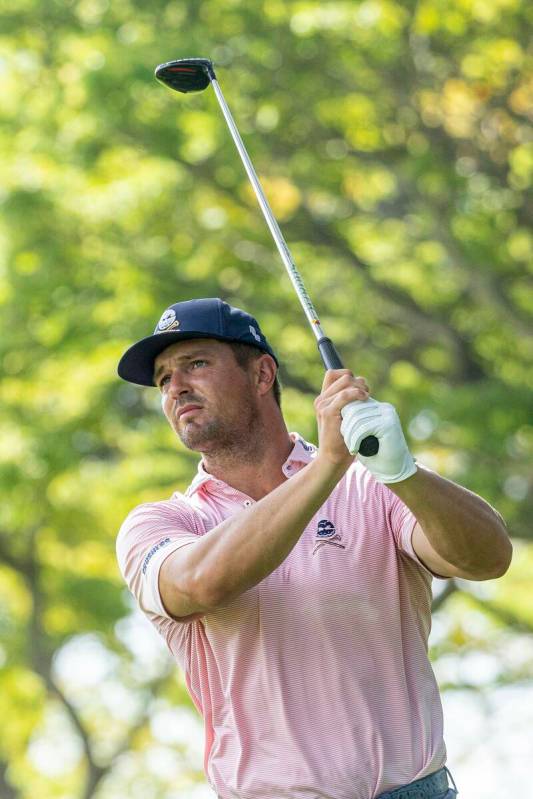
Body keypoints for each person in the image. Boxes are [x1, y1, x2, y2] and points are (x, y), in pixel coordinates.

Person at [116, 297, 512, 799]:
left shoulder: (369, 485)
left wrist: (402, 472)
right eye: (163, 378)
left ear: (262, 376)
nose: (176, 387)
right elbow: (201, 583)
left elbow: (487, 558)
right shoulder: (164, 522)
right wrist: (327, 463)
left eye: (195, 363)